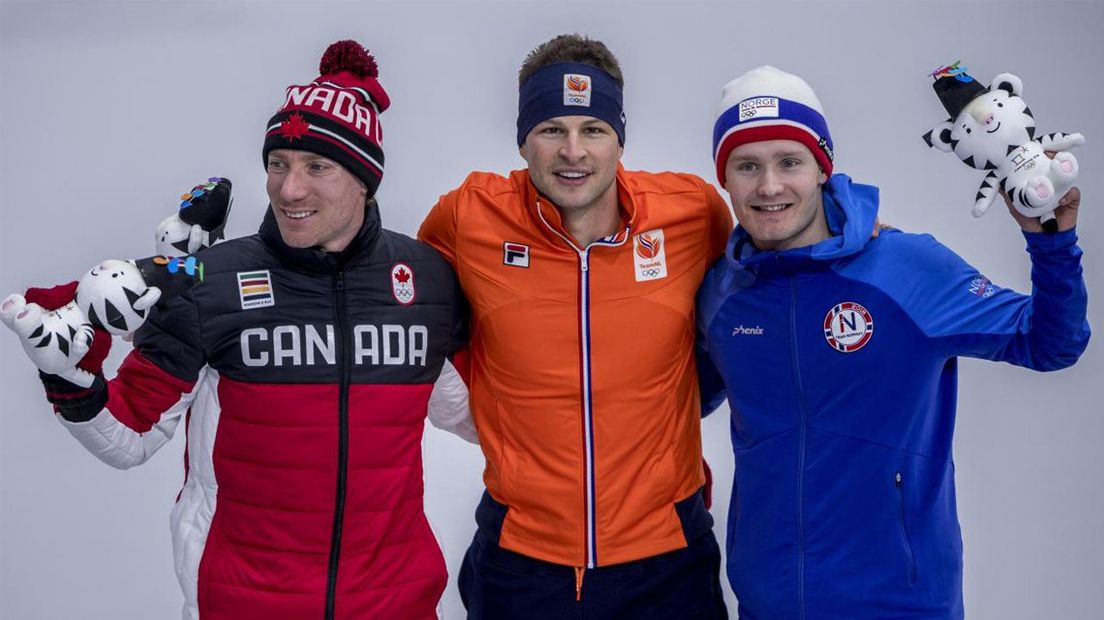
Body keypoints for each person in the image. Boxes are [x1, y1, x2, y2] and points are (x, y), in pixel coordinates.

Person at [2, 40, 468, 620]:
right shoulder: (212, 282)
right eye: (278, 164)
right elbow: (131, 436)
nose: (288, 189)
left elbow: (478, 415)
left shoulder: (426, 283)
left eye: (317, 167)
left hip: (394, 603)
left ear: (364, 180)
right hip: (242, 602)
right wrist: (72, 379)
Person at [696, 65, 1090, 619]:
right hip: (768, 602)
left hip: (901, 604)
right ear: (725, 178)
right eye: (747, 166)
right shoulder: (722, 293)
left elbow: (1050, 344)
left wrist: (1051, 244)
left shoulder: (906, 269)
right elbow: (683, 396)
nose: (769, 186)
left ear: (822, 168)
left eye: (790, 162)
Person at [418, 34, 733, 619]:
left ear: (619, 139)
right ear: (523, 141)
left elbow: (775, 257)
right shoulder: (467, 216)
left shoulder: (691, 212)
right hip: (522, 561)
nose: (572, 151)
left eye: (592, 130)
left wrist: (852, 219)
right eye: (550, 129)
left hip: (667, 558)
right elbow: (396, 290)